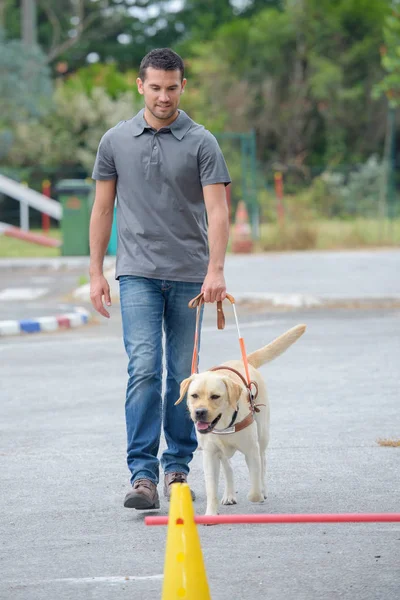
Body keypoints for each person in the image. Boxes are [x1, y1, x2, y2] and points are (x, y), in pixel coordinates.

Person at [89, 47, 231, 510]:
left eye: (172, 87)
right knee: (144, 370)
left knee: (183, 379)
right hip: (136, 274)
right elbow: (103, 208)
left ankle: (177, 468)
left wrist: (216, 269)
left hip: (191, 276)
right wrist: (96, 272)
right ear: (140, 86)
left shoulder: (202, 142)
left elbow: (218, 209)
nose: (164, 96)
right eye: (155, 87)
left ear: (183, 86)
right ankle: (143, 475)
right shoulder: (115, 141)